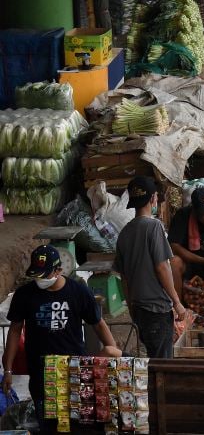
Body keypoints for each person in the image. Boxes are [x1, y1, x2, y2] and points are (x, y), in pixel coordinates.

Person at [3, 246, 122, 431]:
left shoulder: (78, 292)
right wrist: (8, 369)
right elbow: (15, 330)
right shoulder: (24, 294)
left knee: (78, 422)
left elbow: (98, 324)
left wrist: (113, 354)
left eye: (44, 275)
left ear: (58, 270)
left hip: (73, 371)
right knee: (48, 424)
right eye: (36, 275)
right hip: (40, 373)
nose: (40, 280)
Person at [113, 176, 189, 358]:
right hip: (157, 309)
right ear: (153, 199)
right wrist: (177, 303)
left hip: (139, 309)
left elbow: (124, 278)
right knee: (162, 364)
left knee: (152, 359)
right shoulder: (154, 227)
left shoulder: (124, 233)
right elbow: (162, 267)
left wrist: (131, 306)